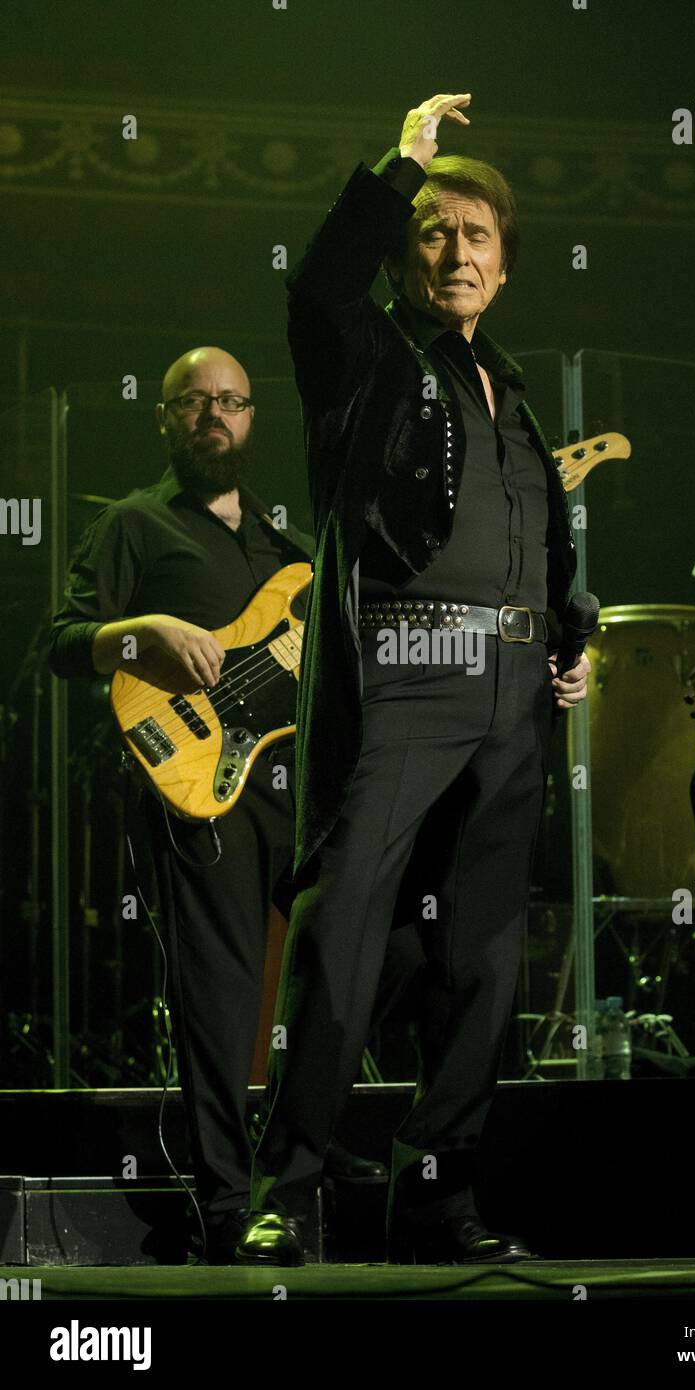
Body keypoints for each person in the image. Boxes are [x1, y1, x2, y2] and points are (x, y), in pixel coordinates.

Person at [237, 93, 590, 1269]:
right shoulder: (362, 353)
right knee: (343, 936)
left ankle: (436, 1199)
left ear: (503, 268)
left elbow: (535, 533)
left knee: (483, 961)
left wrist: (566, 634)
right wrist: (400, 167)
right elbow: (315, 289)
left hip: (509, 693)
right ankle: (283, 1188)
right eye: (434, 231)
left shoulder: (520, 395)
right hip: (402, 668)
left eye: (477, 235)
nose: (456, 252)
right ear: (403, 254)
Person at [48, 346, 413, 1263]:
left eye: (233, 401)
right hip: (201, 791)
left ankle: (303, 1160)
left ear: (253, 418)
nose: (215, 414)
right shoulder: (134, 525)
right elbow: (59, 642)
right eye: (195, 402)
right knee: (220, 1000)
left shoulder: (292, 551)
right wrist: (137, 633)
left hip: (298, 789)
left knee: (375, 950)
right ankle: (223, 1205)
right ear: (166, 418)